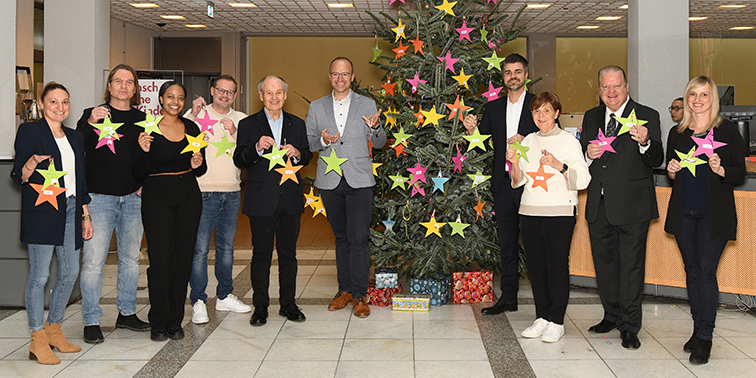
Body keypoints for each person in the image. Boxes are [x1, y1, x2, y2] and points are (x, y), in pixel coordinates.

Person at [579, 66, 664, 349]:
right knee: (604, 266)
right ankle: (611, 315)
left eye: (616, 86)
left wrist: (645, 142)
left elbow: (656, 159)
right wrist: (587, 154)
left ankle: (629, 326)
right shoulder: (592, 116)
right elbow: (585, 160)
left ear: (626, 87)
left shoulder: (648, 115)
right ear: (599, 90)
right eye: (605, 87)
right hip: (599, 205)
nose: (611, 92)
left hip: (633, 205)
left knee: (630, 269)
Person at [665, 76, 746, 365]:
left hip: (715, 215)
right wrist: (672, 170)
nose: (697, 100)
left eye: (703, 94)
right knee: (692, 271)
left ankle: (705, 337)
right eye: (692, 94)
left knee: (706, 272)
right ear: (687, 98)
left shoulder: (727, 131)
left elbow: (740, 172)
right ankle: (698, 329)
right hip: (684, 212)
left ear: (712, 98)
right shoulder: (678, 133)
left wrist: (721, 169)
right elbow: (673, 175)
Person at [11, 82, 93, 364]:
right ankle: (37, 338)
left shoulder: (75, 137)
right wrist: (33, 161)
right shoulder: (30, 131)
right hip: (43, 209)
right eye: (54, 102)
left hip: (71, 208)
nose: (60, 107)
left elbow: (80, 180)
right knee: (40, 276)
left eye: (65, 102)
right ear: (43, 104)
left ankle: (54, 328)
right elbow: (18, 175)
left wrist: (85, 214)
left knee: (71, 273)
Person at [508, 91, 591, 343]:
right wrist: (513, 163)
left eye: (546, 110)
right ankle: (542, 317)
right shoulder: (528, 141)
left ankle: (556, 320)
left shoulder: (568, 141)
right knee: (536, 268)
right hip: (530, 212)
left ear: (556, 113)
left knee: (556, 266)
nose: (541, 115)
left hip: (560, 213)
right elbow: (518, 181)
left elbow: (584, 179)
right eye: (536, 111)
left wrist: (559, 165)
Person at [306, 57, 385, 318]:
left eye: (345, 74)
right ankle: (345, 291)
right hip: (329, 181)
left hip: (360, 180)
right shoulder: (317, 107)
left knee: (359, 239)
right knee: (341, 238)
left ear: (352, 77)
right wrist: (322, 139)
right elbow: (309, 142)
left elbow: (381, 142)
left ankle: (361, 295)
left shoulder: (368, 103)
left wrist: (376, 128)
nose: (340, 79)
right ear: (330, 77)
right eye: (335, 74)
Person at [76, 64, 150, 344]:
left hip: (133, 198)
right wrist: (91, 123)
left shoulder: (143, 118)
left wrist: (145, 180)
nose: (123, 86)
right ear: (109, 86)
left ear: (135, 88)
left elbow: (146, 157)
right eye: (117, 81)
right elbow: (76, 146)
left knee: (131, 260)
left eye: (129, 82)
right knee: (94, 262)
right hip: (99, 199)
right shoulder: (92, 115)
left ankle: (127, 313)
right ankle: (91, 320)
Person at [234, 75, 313, 326]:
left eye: (279, 92)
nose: (274, 97)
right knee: (261, 256)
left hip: (289, 200)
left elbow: (308, 154)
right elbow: (239, 159)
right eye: (269, 93)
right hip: (261, 200)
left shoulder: (297, 124)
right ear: (261, 96)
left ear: (285, 96)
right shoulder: (249, 125)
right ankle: (260, 307)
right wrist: (256, 148)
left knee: (288, 255)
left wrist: (299, 154)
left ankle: (288, 304)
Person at [463, 53, 538, 315]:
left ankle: (544, 303)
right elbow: (480, 141)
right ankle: (508, 297)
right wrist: (471, 130)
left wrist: (526, 143)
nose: (513, 76)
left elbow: (551, 136)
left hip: (531, 184)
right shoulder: (493, 108)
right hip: (503, 185)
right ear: (503, 77)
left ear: (526, 75)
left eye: (518, 71)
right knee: (506, 244)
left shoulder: (538, 105)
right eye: (508, 72)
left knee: (534, 244)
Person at [135, 81, 207, 341]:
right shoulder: (147, 129)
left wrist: (197, 163)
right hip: (156, 196)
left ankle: (175, 320)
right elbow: (138, 173)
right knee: (161, 260)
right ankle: (159, 320)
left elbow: (201, 169)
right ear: (161, 99)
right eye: (170, 97)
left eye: (180, 97)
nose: (175, 101)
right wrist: (143, 151)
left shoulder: (192, 128)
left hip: (188, 194)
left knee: (183, 258)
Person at [185, 75, 250, 324]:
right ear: (212, 90)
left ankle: (224, 295)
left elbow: (244, 154)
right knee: (200, 249)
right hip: (203, 191)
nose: (225, 95)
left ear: (235, 95)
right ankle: (199, 300)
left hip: (232, 191)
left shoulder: (241, 119)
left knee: (226, 249)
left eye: (230, 92)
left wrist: (234, 133)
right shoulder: (197, 114)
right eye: (221, 90)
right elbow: (182, 135)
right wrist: (193, 113)